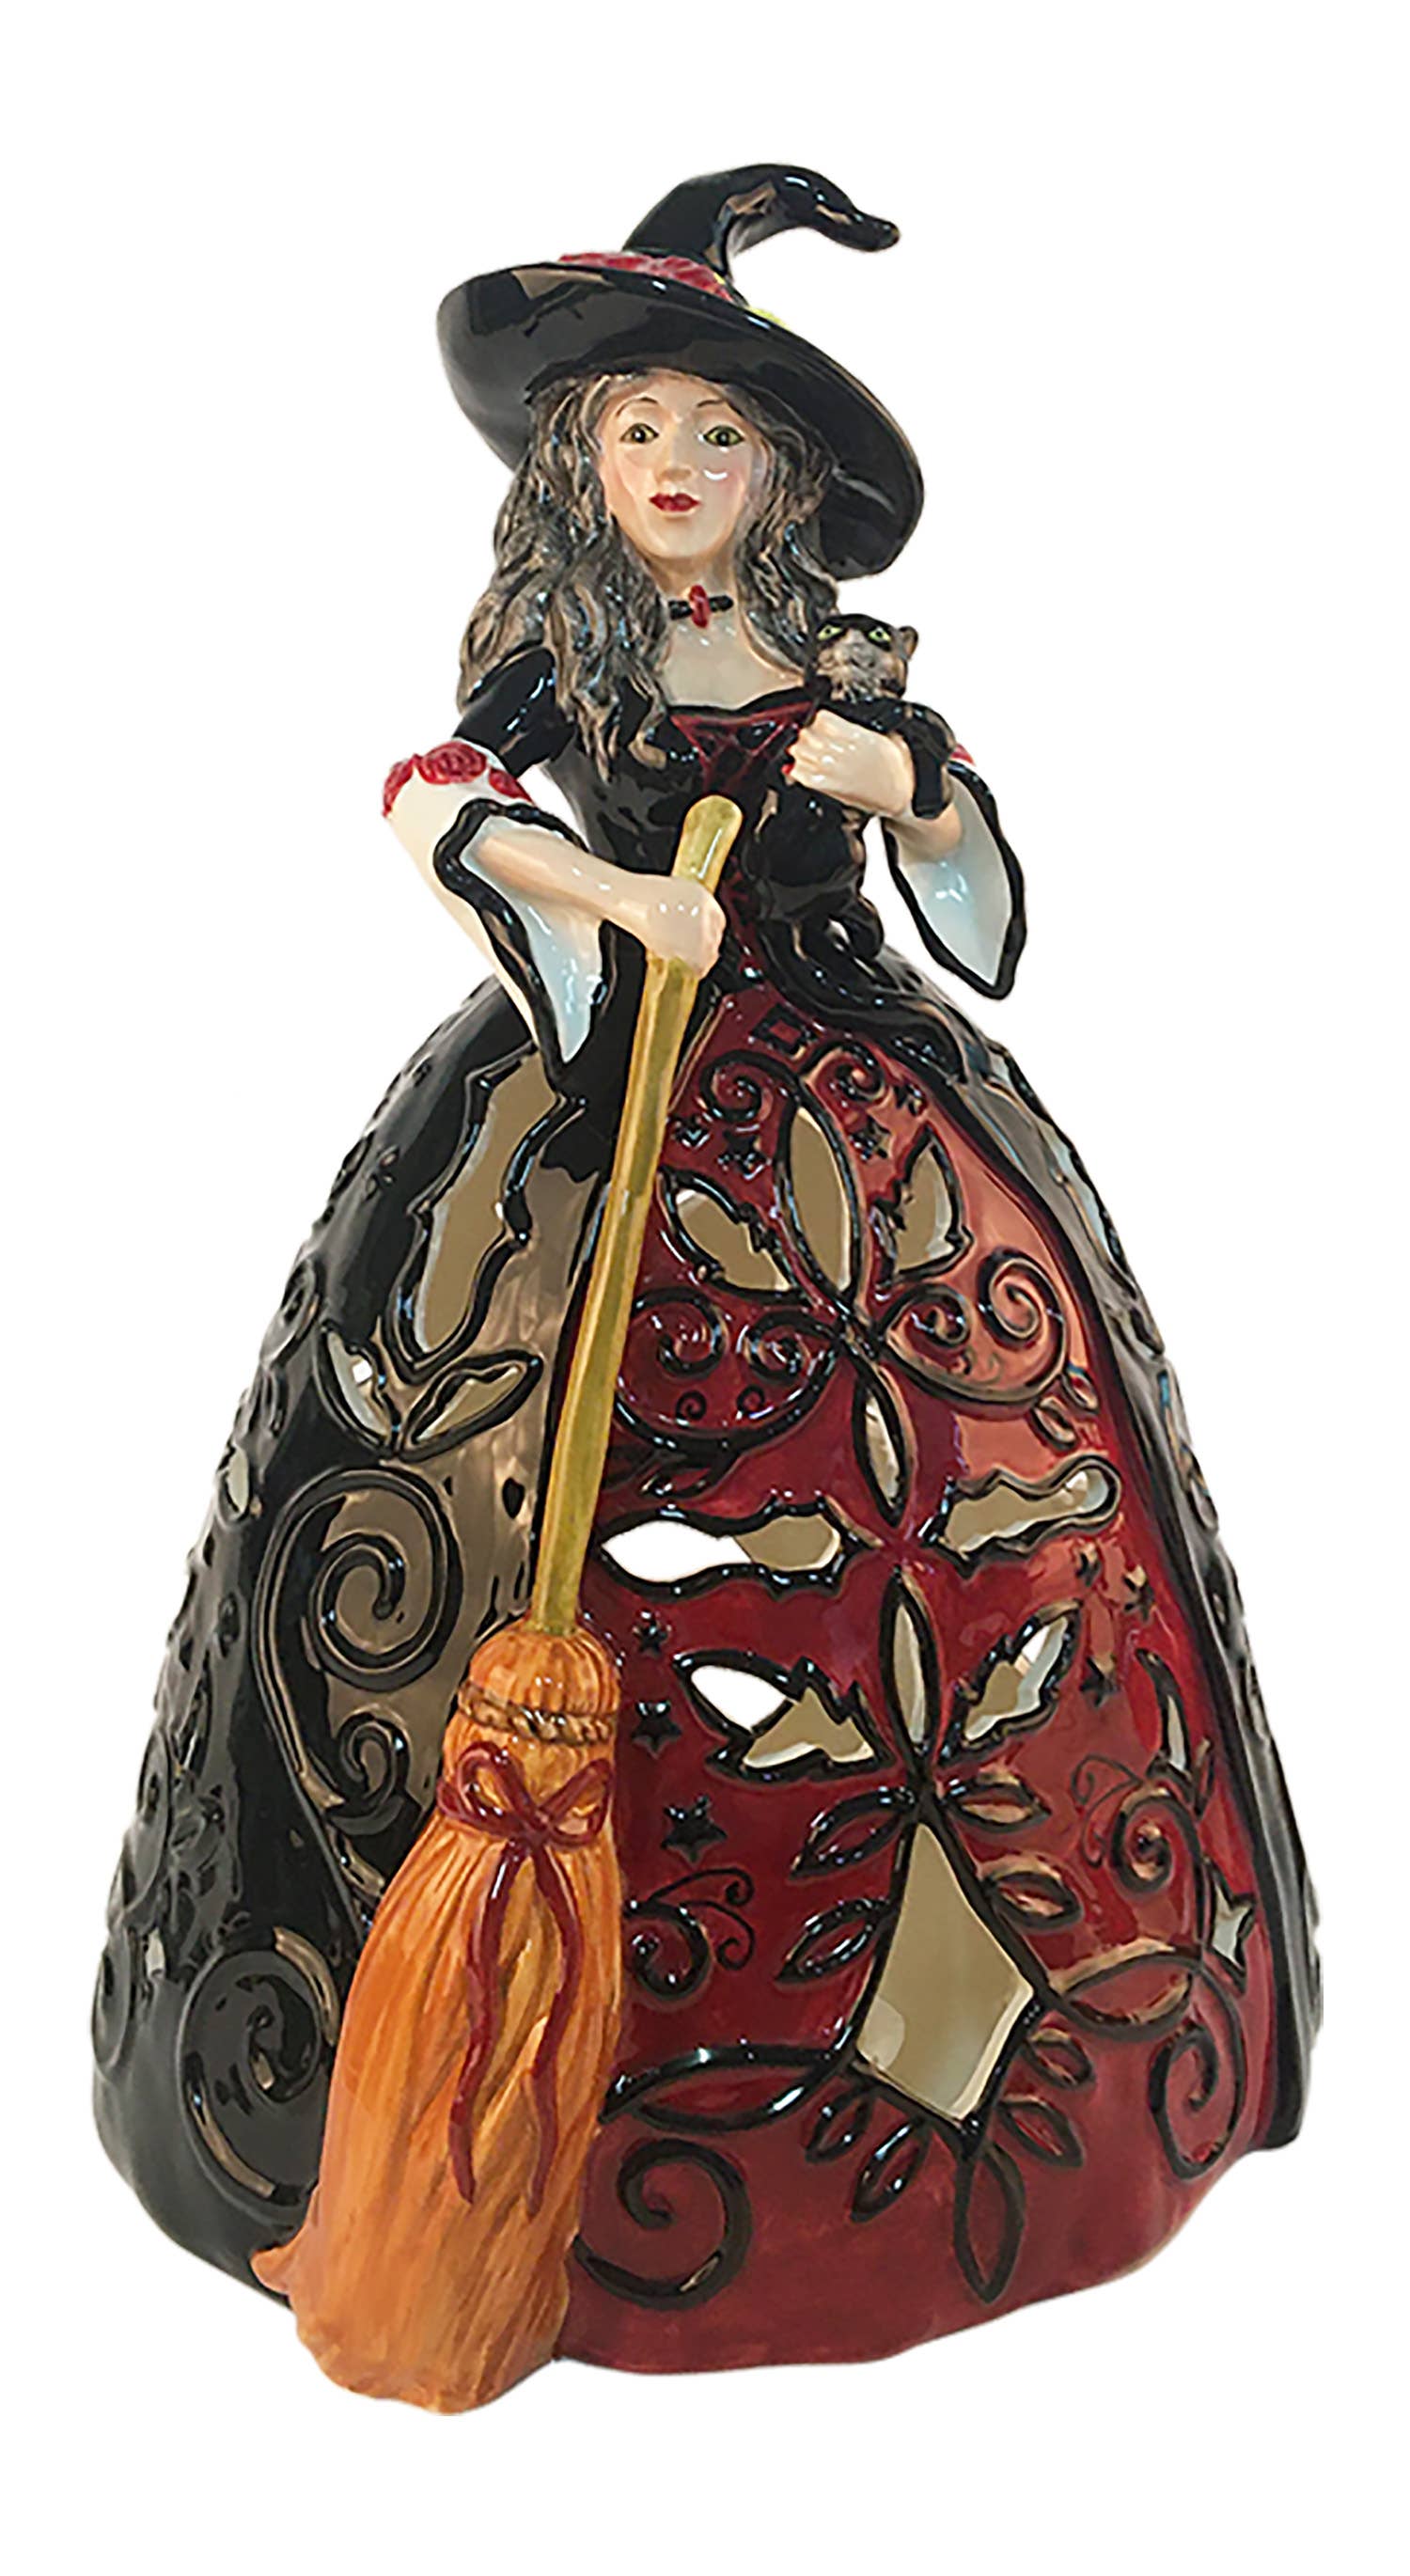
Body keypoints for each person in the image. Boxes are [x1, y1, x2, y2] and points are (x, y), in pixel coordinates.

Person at [95, 163, 1317, 2405]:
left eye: (721, 433)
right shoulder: (564, 663)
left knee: (966, 1473)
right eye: (640, 427)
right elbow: (428, 795)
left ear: (782, 478)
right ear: (581, 460)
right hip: (594, 1116)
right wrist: (597, 894)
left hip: (870, 1148)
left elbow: (977, 899)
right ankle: (460, 2099)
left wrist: (908, 789)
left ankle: (1021, 2039)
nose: (677, 465)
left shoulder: (847, 676)